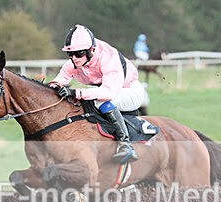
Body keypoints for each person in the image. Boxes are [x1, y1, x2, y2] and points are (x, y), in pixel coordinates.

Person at [48, 24, 148, 163]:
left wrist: (75, 92)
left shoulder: (108, 57)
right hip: (107, 90)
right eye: (70, 54)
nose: (74, 58)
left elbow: (108, 92)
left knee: (99, 100)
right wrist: (50, 87)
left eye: (79, 53)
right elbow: (59, 80)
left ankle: (126, 145)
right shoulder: (75, 62)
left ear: (92, 50)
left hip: (129, 91)